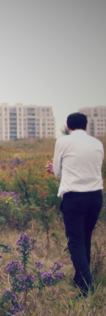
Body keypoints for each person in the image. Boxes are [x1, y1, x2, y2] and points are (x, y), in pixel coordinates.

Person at [45, 112, 104, 297]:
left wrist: (52, 169)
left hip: (74, 197)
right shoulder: (97, 143)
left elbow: (57, 173)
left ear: (68, 127)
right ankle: (80, 279)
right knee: (85, 238)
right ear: (86, 127)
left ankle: (86, 287)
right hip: (95, 196)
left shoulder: (63, 142)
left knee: (75, 242)